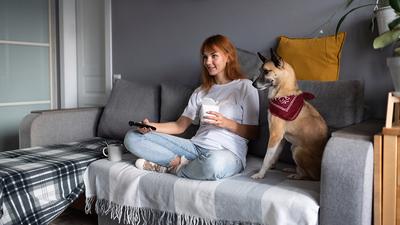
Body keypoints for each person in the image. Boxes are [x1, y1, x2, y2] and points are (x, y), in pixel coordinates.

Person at [124, 34, 259, 180]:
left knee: (212, 165)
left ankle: (175, 169)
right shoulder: (201, 91)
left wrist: (226, 123)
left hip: (228, 152)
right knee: (132, 137)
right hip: (194, 148)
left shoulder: (245, 87)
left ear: (228, 56)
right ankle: (176, 163)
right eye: (205, 57)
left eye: (214, 56)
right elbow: (179, 126)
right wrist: (150, 126)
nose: (208, 62)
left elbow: (254, 133)